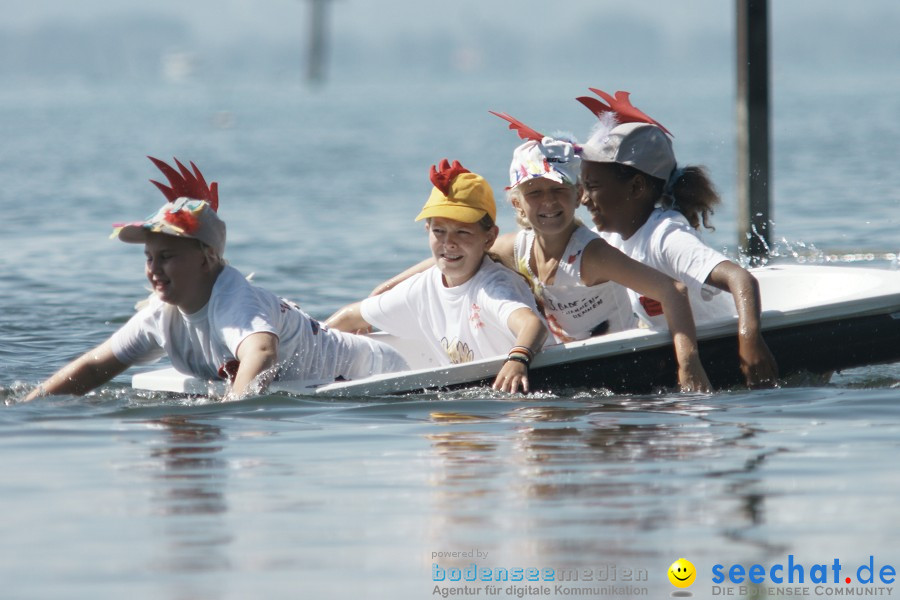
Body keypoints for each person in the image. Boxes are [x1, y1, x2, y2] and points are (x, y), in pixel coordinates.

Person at [372, 115, 712, 393]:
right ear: (517, 202)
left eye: (558, 191)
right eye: (535, 193)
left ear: (578, 194)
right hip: (571, 365)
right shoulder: (514, 247)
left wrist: (689, 365)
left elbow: (672, 290)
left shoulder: (592, 255)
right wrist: (387, 289)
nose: (548, 203)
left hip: (624, 362)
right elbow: (445, 259)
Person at [24, 157, 408, 402]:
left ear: (207, 258)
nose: (154, 269)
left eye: (168, 257)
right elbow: (93, 367)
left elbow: (261, 352)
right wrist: (30, 408)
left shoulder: (233, 299)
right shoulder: (161, 315)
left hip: (380, 372)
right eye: (149, 258)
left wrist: (233, 412)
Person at [576, 87, 779, 388]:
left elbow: (741, 279)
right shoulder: (607, 242)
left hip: (724, 348)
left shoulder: (665, 235)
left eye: (592, 186)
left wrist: (750, 340)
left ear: (636, 187)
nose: (583, 199)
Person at [326, 159, 548, 394]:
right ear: (427, 230)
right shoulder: (423, 287)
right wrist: (309, 342)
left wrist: (518, 359)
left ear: (490, 237)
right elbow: (351, 316)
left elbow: (533, 325)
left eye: (462, 232)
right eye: (439, 231)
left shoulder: (493, 287)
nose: (449, 243)